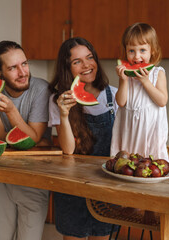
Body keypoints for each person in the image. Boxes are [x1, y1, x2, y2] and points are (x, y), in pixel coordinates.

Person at [48, 37, 118, 240]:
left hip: (105, 186)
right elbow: (68, 150)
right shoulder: (58, 100)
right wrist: (63, 114)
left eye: (90, 57)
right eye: (77, 61)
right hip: (72, 187)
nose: (87, 65)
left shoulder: (114, 96)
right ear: (67, 68)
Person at [0, 40, 50, 240]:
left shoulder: (41, 89)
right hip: (2, 174)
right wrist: (34, 141)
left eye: (24, 64)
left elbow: (34, 136)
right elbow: (1, 138)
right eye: (12, 68)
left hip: (34, 175)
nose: (22, 72)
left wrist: (11, 111)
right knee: (3, 237)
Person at [110, 23, 169, 161]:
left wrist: (145, 81)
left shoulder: (157, 73)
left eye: (142, 50)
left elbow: (162, 101)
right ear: (125, 51)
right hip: (128, 132)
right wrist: (123, 80)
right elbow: (121, 102)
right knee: (127, 165)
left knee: (150, 166)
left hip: (149, 132)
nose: (137, 57)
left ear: (152, 50)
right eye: (131, 51)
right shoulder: (126, 75)